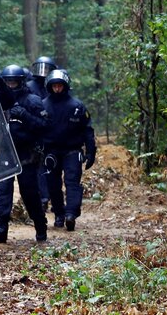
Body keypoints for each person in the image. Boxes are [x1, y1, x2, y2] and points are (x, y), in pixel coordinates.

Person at [0, 64, 49, 243]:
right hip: (4, 152)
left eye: (14, 83)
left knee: (29, 193)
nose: (11, 86)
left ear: (21, 82)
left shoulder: (33, 101)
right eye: (8, 83)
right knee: (3, 191)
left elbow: (44, 126)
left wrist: (25, 116)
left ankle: (40, 225)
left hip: (26, 155)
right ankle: (1, 228)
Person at [41, 69, 96, 231]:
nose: (57, 89)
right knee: (53, 184)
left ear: (65, 86)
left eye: (60, 85)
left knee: (72, 182)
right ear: (49, 87)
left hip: (72, 151)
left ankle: (71, 214)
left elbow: (88, 130)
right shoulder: (43, 105)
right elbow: (36, 128)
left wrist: (91, 151)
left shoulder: (77, 106)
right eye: (54, 86)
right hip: (50, 151)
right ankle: (59, 214)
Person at [27, 56, 57, 212]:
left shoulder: (55, 86)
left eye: (47, 69)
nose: (43, 72)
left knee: (53, 167)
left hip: (52, 132)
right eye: (41, 68)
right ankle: (43, 198)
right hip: (35, 131)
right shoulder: (30, 86)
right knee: (39, 167)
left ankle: (53, 197)